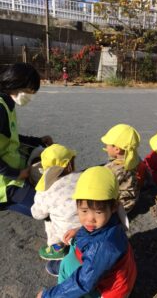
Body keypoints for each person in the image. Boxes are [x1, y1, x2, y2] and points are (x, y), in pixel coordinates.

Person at [37, 166, 137, 298]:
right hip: (118, 274)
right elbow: (95, 233)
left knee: (73, 274)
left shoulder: (103, 246)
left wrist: (48, 296)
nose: (90, 219)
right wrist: (78, 230)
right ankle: (66, 272)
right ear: (77, 205)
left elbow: (84, 282)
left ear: (112, 207)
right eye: (84, 211)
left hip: (111, 292)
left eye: (98, 212)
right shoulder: (110, 219)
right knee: (73, 247)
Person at [0, 63, 53, 216]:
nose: (30, 95)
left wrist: (39, 140)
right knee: (48, 209)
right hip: (6, 180)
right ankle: (8, 199)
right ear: (16, 84)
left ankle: (12, 200)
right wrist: (16, 174)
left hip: (15, 171)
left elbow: (13, 137)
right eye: (29, 91)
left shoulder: (7, 104)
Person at [31, 144, 81, 260]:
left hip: (65, 234)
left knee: (48, 219)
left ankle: (57, 247)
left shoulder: (44, 191)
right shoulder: (82, 177)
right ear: (69, 165)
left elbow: (37, 214)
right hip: (87, 225)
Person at [101, 123, 145, 213]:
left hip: (121, 207)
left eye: (107, 145)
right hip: (133, 198)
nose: (106, 147)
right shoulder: (135, 158)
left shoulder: (113, 169)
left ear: (117, 149)